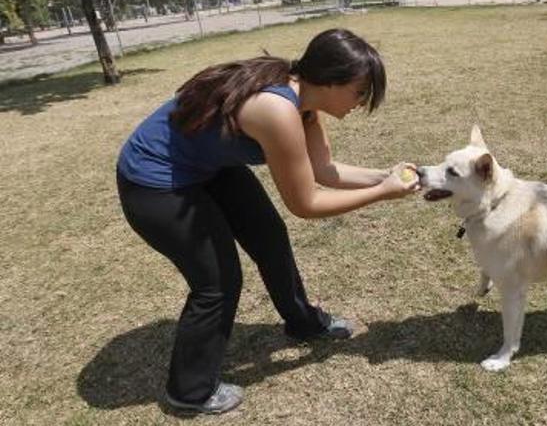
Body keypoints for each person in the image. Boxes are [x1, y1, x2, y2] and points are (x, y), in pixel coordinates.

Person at [116, 28, 419, 414]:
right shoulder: (278, 109)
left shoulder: (306, 102)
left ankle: (304, 323)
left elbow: (324, 170)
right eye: (359, 92)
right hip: (155, 181)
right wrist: (383, 193)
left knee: (269, 238)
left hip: (206, 166)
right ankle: (188, 392)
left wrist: (384, 175)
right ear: (330, 81)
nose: (360, 103)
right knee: (218, 282)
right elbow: (306, 202)